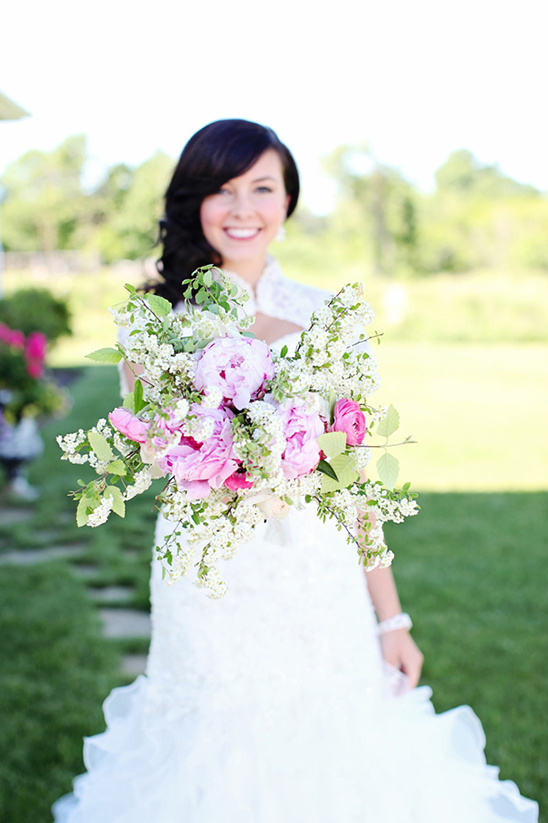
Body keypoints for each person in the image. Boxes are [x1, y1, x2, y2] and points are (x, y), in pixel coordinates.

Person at [52, 119, 538, 822]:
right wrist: (219, 449)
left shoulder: (326, 318)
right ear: (193, 201)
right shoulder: (154, 321)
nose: (242, 208)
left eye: (261, 187)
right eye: (222, 189)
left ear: (288, 201)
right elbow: (154, 448)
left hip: (316, 573)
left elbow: (357, 477)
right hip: (206, 577)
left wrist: (391, 617)